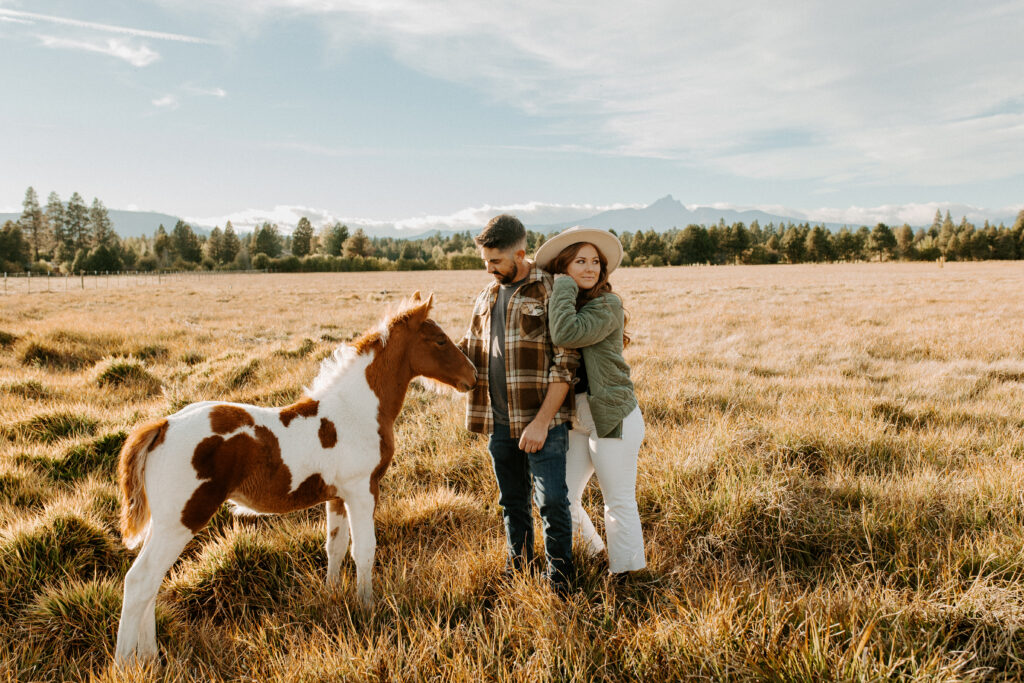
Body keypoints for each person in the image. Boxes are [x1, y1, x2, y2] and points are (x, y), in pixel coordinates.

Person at [459, 214, 578, 592]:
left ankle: (560, 581)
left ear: (521, 253)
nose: (489, 268)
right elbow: (468, 351)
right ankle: (520, 570)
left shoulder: (552, 289)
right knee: (512, 502)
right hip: (498, 423)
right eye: (485, 262)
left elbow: (566, 362)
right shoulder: (486, 295)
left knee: (553, 502)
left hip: (542, 421)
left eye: (495, 261)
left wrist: (541, 422)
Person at [534, 226, 646, 577]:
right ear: (564, 265)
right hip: (577, 416)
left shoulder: (607, 304)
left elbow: (566, 332)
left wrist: (562, 283)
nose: (589, 268)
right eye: (579, 261)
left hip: (611, 416)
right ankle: (596, 552)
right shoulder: (564, 304)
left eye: (595, 261)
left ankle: (628, 575)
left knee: (618, 500)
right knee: (561, 497)